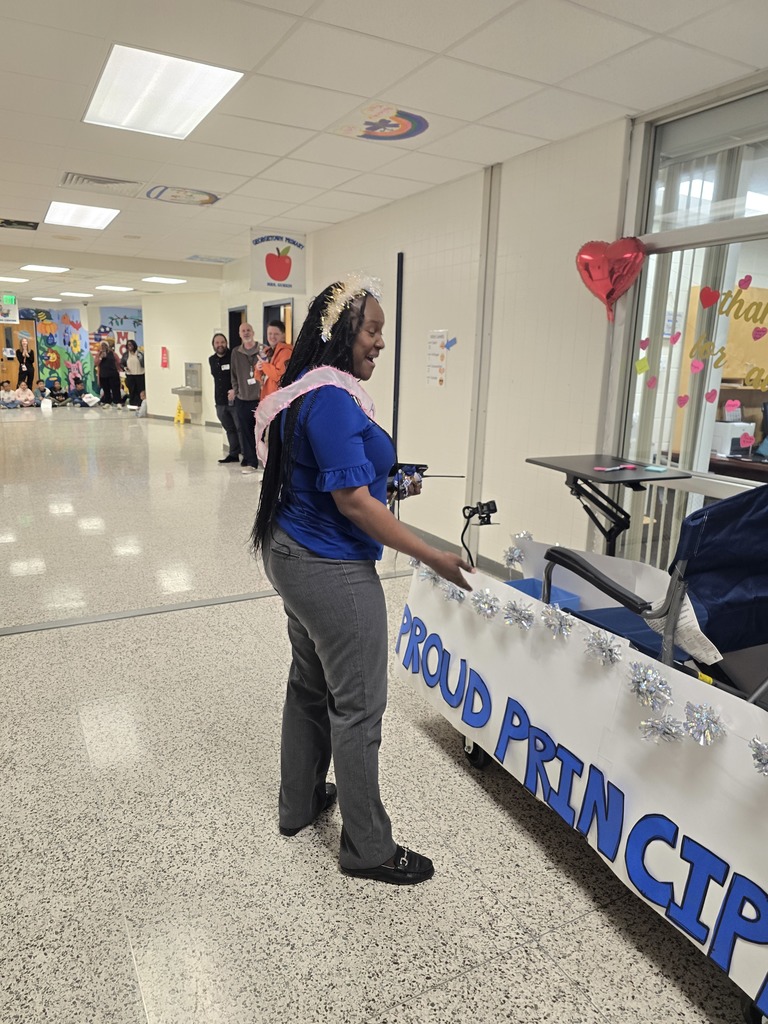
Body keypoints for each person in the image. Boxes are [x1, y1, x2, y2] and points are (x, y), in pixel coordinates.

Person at [251, 276, 474, 885]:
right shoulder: (329, 399)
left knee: (309, 683)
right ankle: (368, 848)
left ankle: (299, 804)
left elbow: (332, 478)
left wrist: (392, 481)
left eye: (381, 331)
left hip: (295, 554)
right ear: (341, 333)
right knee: (359, 707)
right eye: (372, 330)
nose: (380, 343)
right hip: (331, 571)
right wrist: (433, 554)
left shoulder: (309, 393)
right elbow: (351, 500)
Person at [229, 322, 261, 474]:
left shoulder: (262, 350)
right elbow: (233, 375)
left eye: (248, 330)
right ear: (239, 334)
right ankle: (251, 461)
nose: (246, 333)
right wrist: (237, 391)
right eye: (243, 331)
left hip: (260, 398)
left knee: (261, 431)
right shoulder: (236, 352)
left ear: (253, 332)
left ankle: (264, 459)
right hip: (242, 399)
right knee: (246, 432)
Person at [209, 331, 242, 464]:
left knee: (240, 428)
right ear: (213, 345)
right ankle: (233, 454)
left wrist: (235, 390)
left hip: (234, 399)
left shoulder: (233, 356)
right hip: (220, 400)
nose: (220, 345)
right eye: (217, 343)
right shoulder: (211, 360)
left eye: (222, 342)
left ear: (226, 343)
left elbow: (240, 375)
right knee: (229, 428)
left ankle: (245, 455)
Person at [256, 319, 292, 400]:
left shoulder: (286, 352)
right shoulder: (267, 351)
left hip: (278, 400)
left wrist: (264, 365)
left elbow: (278, 376)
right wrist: (258, 368)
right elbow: (258, 376)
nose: (272, 337)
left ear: (283, 335)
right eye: (270, 333)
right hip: (266, 397)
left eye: (276, 334)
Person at [120, 340, 145, 408]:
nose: (129, 346)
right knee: (132, 390)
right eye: (128, 345)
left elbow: (144, 363)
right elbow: (121, 364)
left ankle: (140, 403)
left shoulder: (140, 354)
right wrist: (125, 368)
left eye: (131, 344)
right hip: (130, 375)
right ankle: (133, 403)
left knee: (140, 390)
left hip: (140, 374)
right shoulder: (126, 355)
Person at [97, 340, 122, 406]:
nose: (103, 347)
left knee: (115, 389)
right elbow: (95, 363)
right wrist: (100, 357)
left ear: (107, 346)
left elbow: (118, 362)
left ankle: (117, 402)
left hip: (113, 374)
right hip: (104, 375)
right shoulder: (99, 354)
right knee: (106, 390)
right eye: (102, 345)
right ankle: (107, 402)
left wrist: (120, 369)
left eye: (105, 345)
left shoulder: (113, 353)